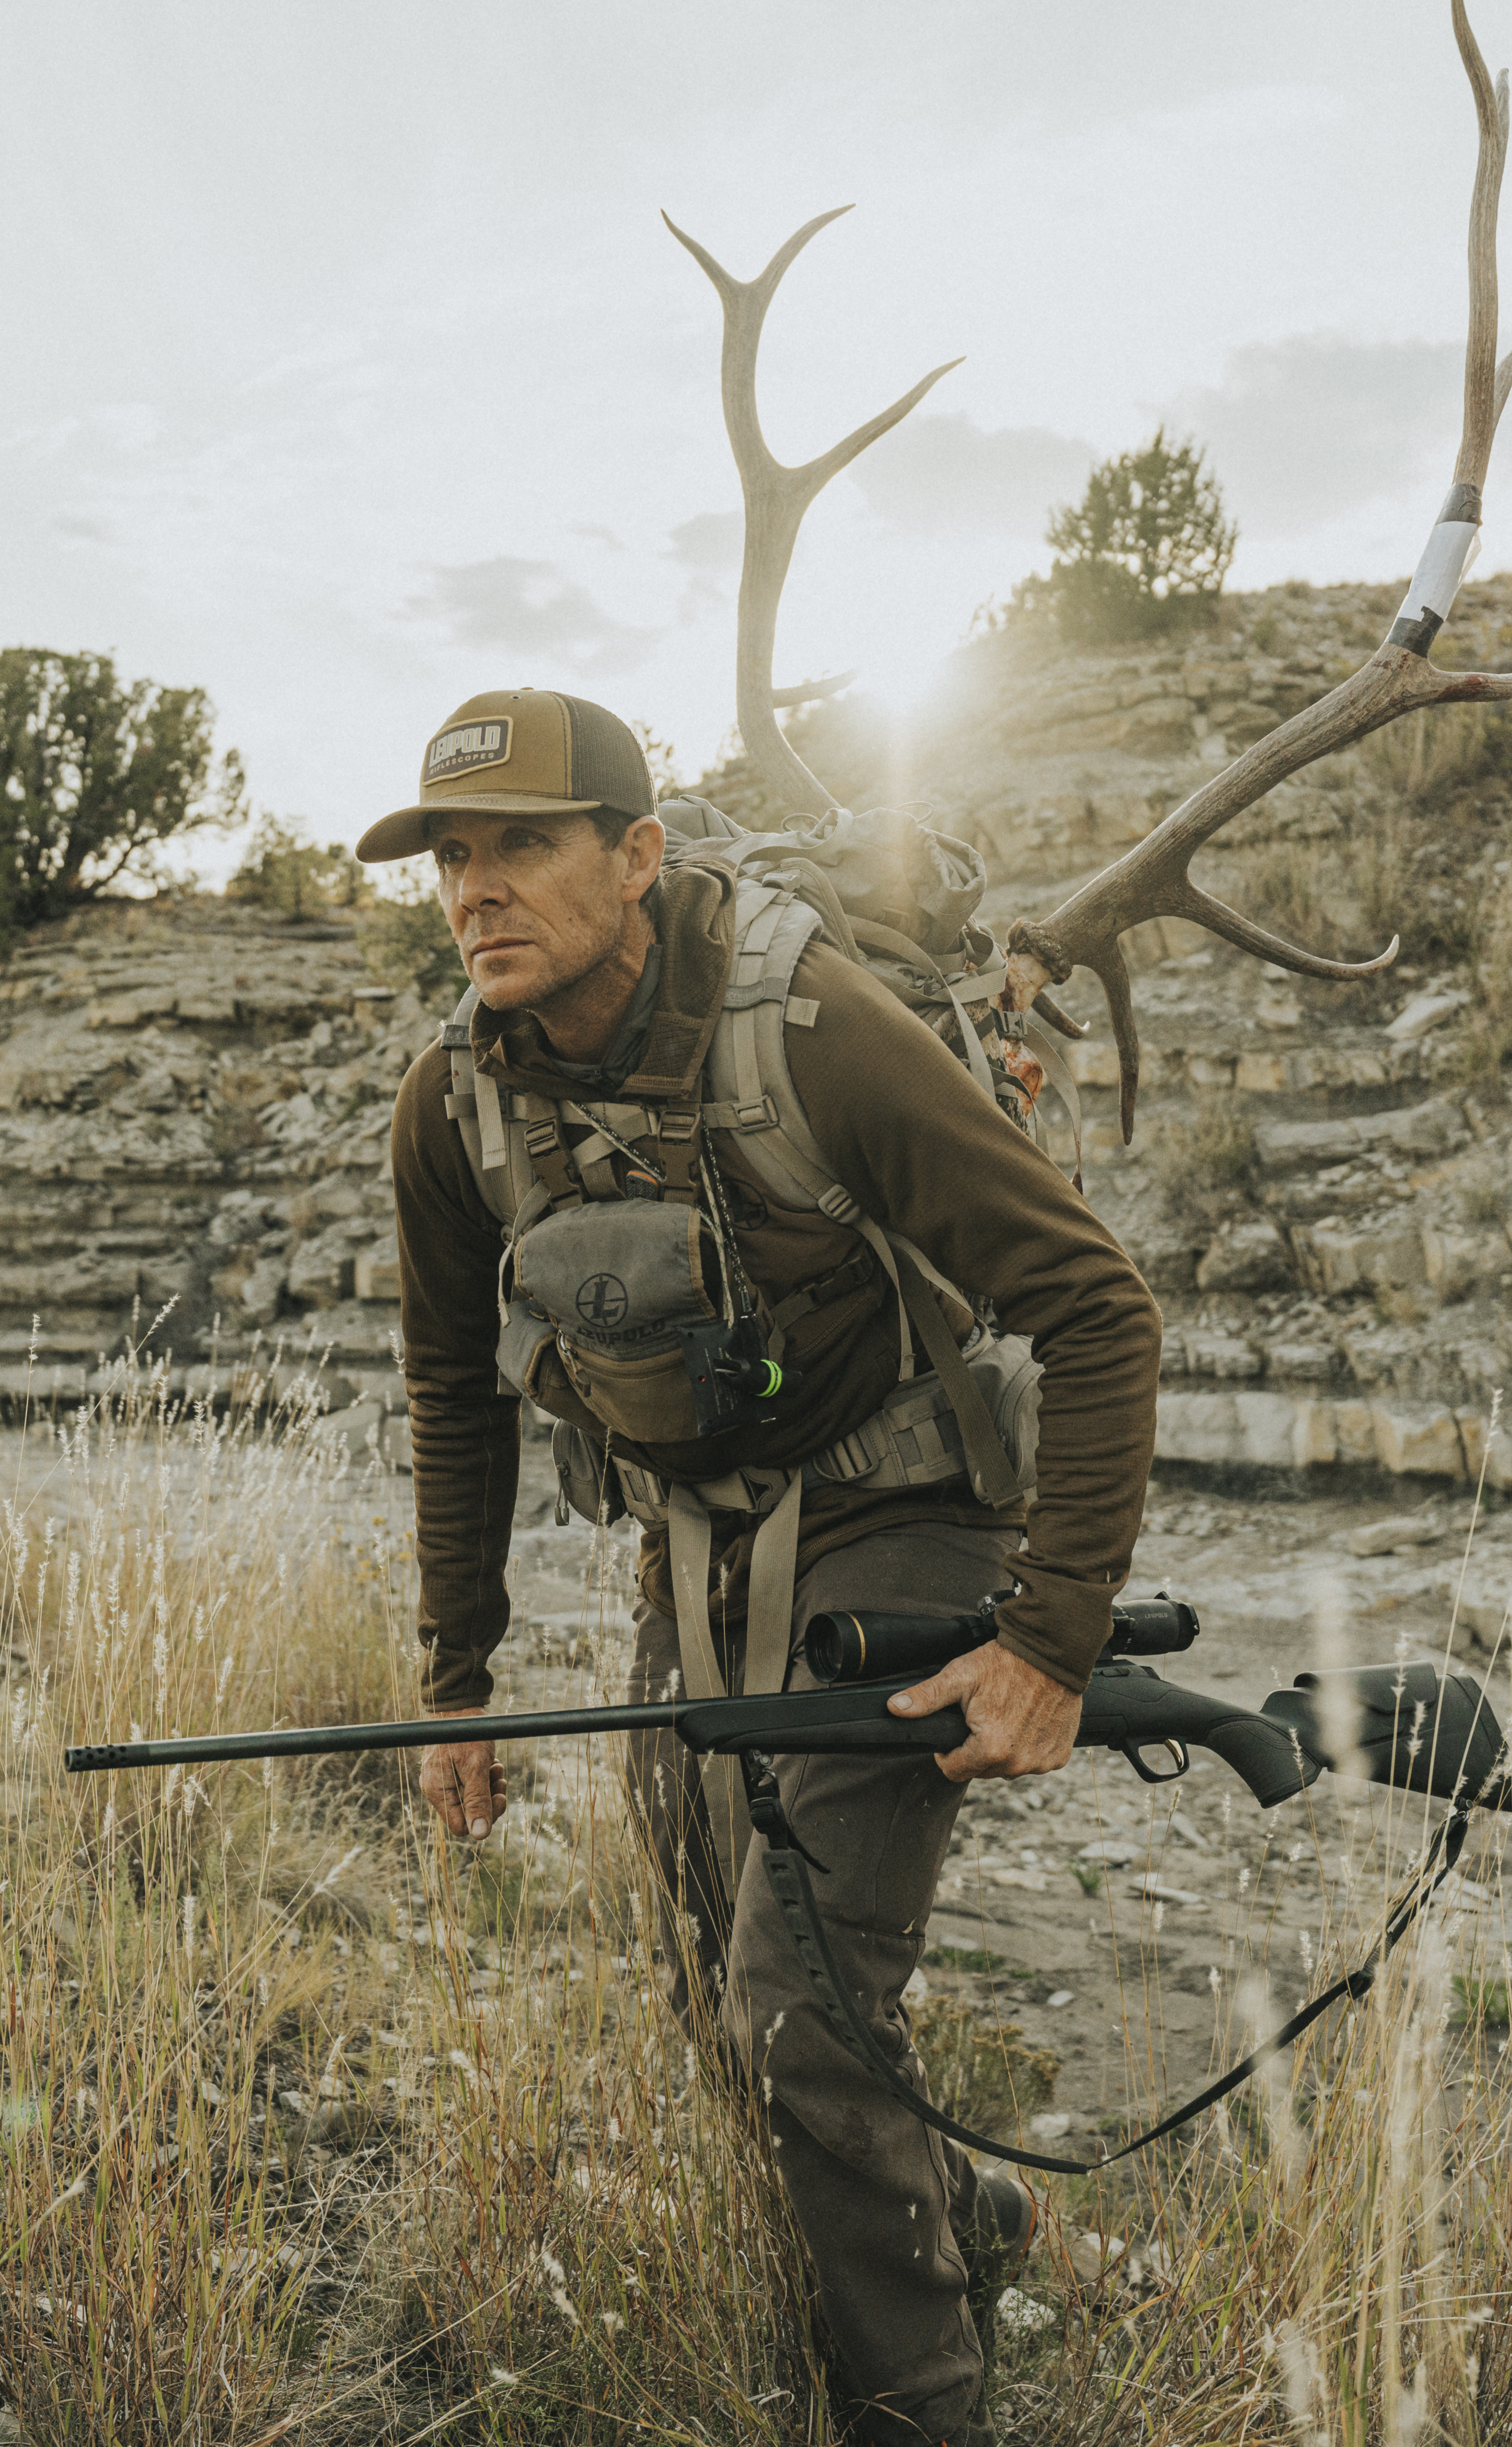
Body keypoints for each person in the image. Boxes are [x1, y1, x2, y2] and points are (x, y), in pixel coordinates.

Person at [363, 686, 1162, 2447]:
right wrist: (458, 1682)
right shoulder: (454, 1106)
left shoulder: (813, 1030)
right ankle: (976, 2226)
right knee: (702, 1968)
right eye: (449, 855)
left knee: (799, 2006)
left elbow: (1096, 1309)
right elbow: (453, 1394)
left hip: (909, 1511)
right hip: (703, 1544)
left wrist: (1051, 1638)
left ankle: (921, 2416)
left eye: (523, 847)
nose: (474, 890)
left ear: (637, 857)